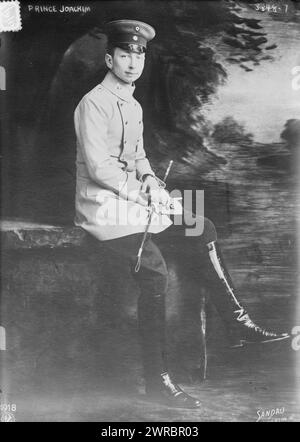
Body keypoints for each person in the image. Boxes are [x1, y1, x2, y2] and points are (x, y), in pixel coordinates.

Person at [74, 19, 289, 409]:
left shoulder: (133, 105)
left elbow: (138, 156)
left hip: (135, 199)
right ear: (110, 58)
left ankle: (237, 323)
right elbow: (99, 168)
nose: (132, 63)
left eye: (138, 56)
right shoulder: (93, 103)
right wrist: (144, 194)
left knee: (200, 226)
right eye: (124, 55)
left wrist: (154, 185)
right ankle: (159, 381)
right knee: (154, 271)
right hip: (102, 205)